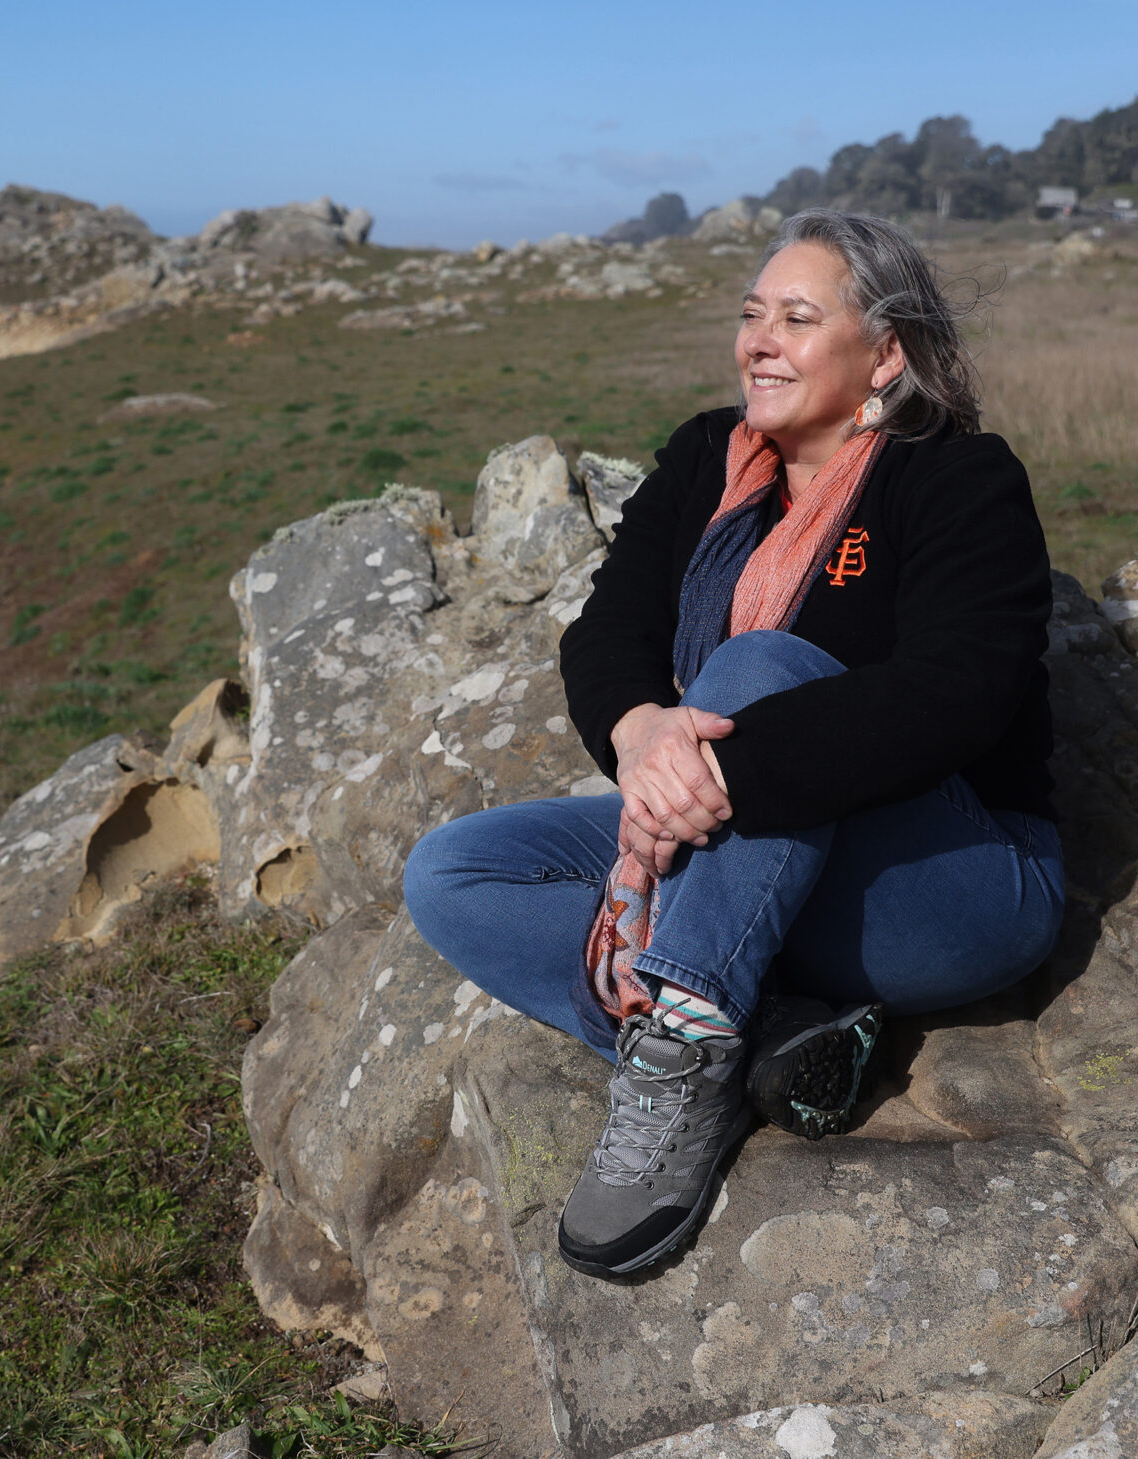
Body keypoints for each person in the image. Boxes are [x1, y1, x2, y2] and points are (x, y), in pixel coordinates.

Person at [402, 209, 1064, 1280]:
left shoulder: (958, 477)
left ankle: (680, 1062)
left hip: (954, 882)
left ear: (885, 351)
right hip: (765, 863)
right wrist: (644, 732)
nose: (758, 339)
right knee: (453, 872)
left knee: (758, 667)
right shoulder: (708, 458)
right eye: (751, 314)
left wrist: (721, 769)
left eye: (797, 318)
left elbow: (958, 694)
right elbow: (608, 634)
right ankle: (762, 1032)